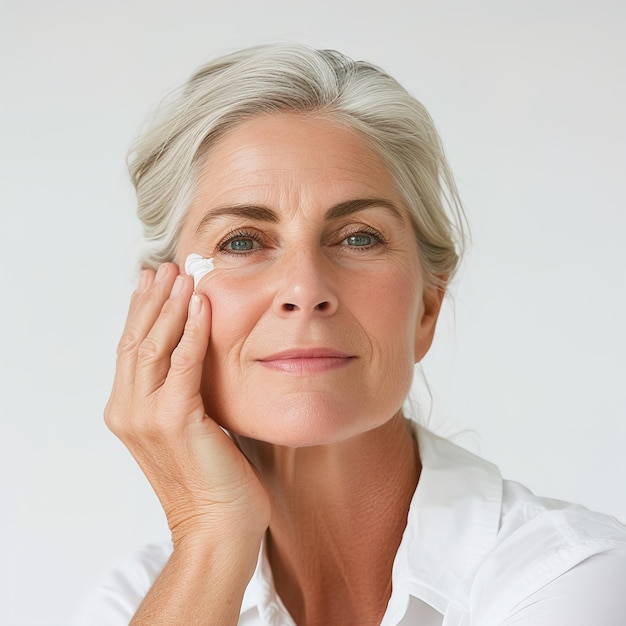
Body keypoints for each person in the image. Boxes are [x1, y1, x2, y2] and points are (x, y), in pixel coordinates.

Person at [74, 44, 626, 625]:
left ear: (426, 308)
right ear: (164, 308)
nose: (305, 287)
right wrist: (210, 534)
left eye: (358, 237)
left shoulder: (572, 578)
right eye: (242, 241)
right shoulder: (133, 598)